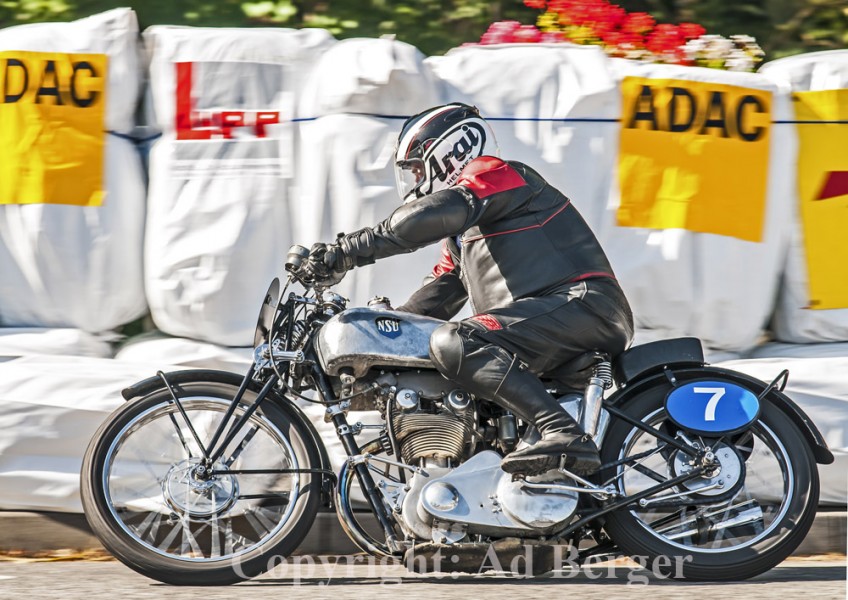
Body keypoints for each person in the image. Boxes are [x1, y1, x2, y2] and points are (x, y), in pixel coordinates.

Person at [302, 103, 634, 476]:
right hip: (546, 324)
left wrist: (348, 251)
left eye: (416, 169)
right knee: (439, 347)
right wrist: (370, 338)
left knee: (457, 340)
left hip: (583, 305)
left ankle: (560, 431)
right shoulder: (461, 242)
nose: (414, 182)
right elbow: (425, 309)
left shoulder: (500, 175)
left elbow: (429, 216)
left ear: (450, 152)